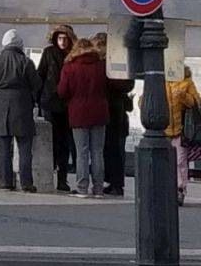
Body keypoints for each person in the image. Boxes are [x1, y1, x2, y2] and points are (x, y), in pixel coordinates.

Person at [0, 29, 39, 191]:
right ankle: (26, 183)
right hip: (22, 107)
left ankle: (6, 182)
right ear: (19, 45)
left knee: (4, 149)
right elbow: (36, 85)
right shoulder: (26, 62)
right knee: (24, 148)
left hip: (2, 107)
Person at [57, 36, 108, 196]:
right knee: (98, 152)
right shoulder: (101, 66)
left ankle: (82, 187)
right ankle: (98, 188)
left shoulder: (70, 67)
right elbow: (109, 87)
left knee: (82, 152)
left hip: (78, 113)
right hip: (99, 112)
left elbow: (62, 91)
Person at [37, 23, 77, 193]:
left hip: (67, 103)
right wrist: (38, 98)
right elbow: (41, 74)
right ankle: (49, 175)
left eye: (65, 38)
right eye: (60, 38)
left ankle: (62, 178)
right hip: (50, 102)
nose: (62, 41)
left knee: (64, 142)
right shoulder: (49, 52)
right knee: (52, 140)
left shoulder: (73, 54)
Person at [100, 33, 134, 197]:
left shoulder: (112, 64)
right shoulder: (116, 62)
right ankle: (112, 182)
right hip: (115, 110)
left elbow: (126, 84)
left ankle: (115, 183)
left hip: (113, 111)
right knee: (111, 148)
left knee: (113, 148)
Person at [165, 58, 201, 207]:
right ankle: (168, 189)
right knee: (167, 161)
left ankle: (180, 189)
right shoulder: (163, 82)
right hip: (164, 129)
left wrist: (183, 96)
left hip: (182, 130)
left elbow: (196, 103)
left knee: (180, 161)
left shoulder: (187, 83)